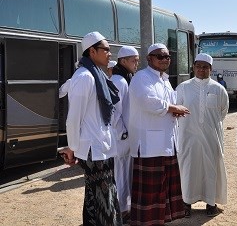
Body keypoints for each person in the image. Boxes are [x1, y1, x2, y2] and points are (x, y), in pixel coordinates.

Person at [59, 31, 122, 225]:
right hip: (93, 149)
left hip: (101, 146)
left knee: (96, 197)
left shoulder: (96, 75)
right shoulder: (85, 77)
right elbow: (73, 119)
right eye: (106, 50)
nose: (110, 54)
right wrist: (72, 148)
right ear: (92, 51)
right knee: (104, 199)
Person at [128, 43, 190, 225]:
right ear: (149, 58)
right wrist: (172, 108)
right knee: (150, 194)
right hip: (149, 146)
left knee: (164, 190)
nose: (165, 59)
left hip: (166, 143)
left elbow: (166, 105)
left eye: (167, 56)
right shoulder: (141, 77)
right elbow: (147, 101)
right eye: (160, 56)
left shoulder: (165, 80)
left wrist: (174, 111)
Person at [176, 53, 229, 218]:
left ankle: (211, 203)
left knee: (210, 169)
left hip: (211, 137)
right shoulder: (183, 87)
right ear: (193, 68)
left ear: (211, 69)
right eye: (198, 66)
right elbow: (176, 110)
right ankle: (186, 203)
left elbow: (222, 112)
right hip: (187, 137)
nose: (201, 69)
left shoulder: (218, 89)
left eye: (205, 67)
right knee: (188, 169)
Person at [110, 45, 140, 224]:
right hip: (121, 137)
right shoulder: (119, 80)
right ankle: (121, 210)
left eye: (137, 60)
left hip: (126, 135)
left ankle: (125, 208)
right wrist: (123, 132)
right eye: (133, 60)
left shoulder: (126, 77)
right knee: (121, 173)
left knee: (125, 173)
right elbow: (115, 112)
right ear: (122, 61)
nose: (136, 63)